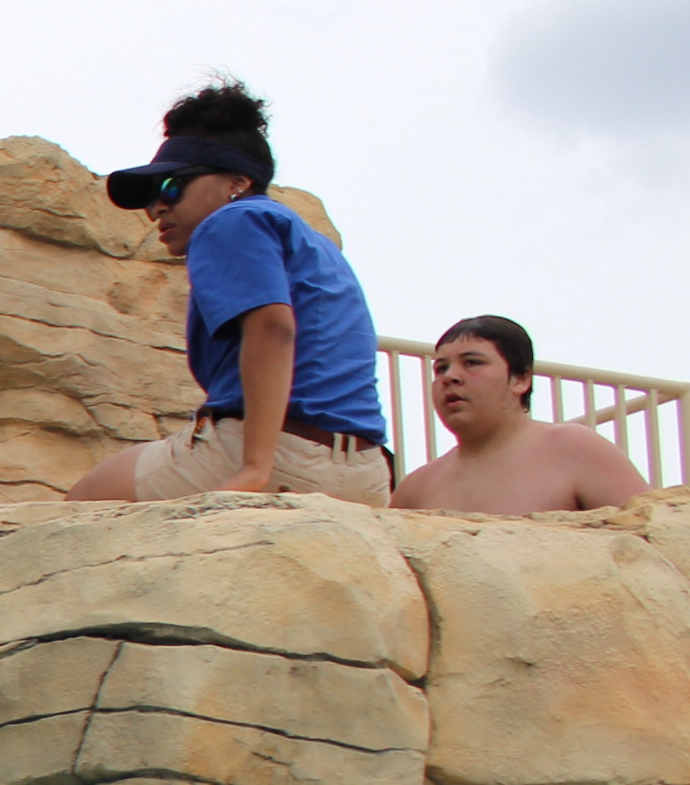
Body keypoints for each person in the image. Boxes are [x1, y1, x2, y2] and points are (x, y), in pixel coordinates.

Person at [70, 81, 393, 508]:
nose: (155, 209)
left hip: (280, 455)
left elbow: (273, 328)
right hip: (367, 473)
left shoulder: (229, 221)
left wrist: (254, 467)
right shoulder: (314, 245)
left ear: (237, 182)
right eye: (151, 197)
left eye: (171, 186)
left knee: (81, 503)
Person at [396, 314, 653, 515]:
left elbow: (649, 535)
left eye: (472, 362)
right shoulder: (416, 489)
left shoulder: (575, 448)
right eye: (441, 368)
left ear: (520, 379)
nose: (450, 376)